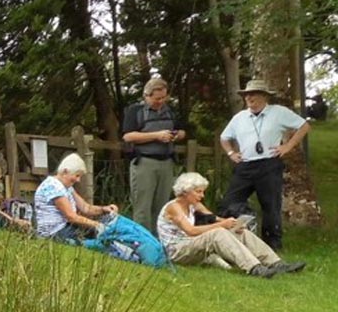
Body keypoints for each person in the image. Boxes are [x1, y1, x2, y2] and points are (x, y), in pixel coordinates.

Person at [157, 172, 306, 278]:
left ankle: (275, 263)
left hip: (190, 245)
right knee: (217, 233)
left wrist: (232, 224)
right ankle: (254, 268)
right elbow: (191, 230)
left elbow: (213, 218)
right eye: (198, 192)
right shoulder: (174, 207)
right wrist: (222, 226)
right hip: (176, 251)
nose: (202, 196)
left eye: (202, 192)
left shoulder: (193, 204)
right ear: (186, 191)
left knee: (240, 231)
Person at [219, 79, 311, 250]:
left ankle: (272, 245)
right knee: (229, 202)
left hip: (269, 164)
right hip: (245, 165)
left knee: (270, 205)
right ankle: (230, 239)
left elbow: (304, 126)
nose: (249, 97)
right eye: (247, 95)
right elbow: (224, 138)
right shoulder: (239, 117)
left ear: (264, 96)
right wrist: (231, 153)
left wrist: (287, 146)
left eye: (253, 94)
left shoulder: (278, 112)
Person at [122, 78, 186, 232]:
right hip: (144, 163)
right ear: (147, 96)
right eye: (157, 98)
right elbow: (128, 136)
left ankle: (159, 241)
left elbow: (183, 131)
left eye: (164, 98)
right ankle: (142, 244)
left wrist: (177, 135)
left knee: (162, 206)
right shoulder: (135, 111)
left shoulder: (170, 111)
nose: (161, 101)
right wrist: (156, 136)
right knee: (142, 207)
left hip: (167, 163)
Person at [34, 153, 118, 241]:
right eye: (77, 175)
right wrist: (98, 225)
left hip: (66, 227)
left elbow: (86, 208)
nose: (78, 180)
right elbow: (71, 217)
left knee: (106, 234)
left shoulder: (67, 187)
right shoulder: (53, 187)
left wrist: (104, 209)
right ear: (65, 172)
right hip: (55, 232)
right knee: (103, 237)